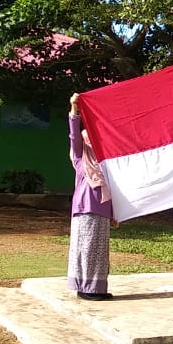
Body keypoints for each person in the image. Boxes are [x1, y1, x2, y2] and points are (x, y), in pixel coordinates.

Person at [68, 93, 117, 301]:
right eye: (90, 139)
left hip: (102, 209)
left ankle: (95, 288)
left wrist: (115, 212)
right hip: (86, 208)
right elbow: (74, 136)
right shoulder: (81, 157)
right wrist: (74, 108)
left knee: (98, 252)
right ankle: (86, 289)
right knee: (85, 249)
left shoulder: (104, 165)